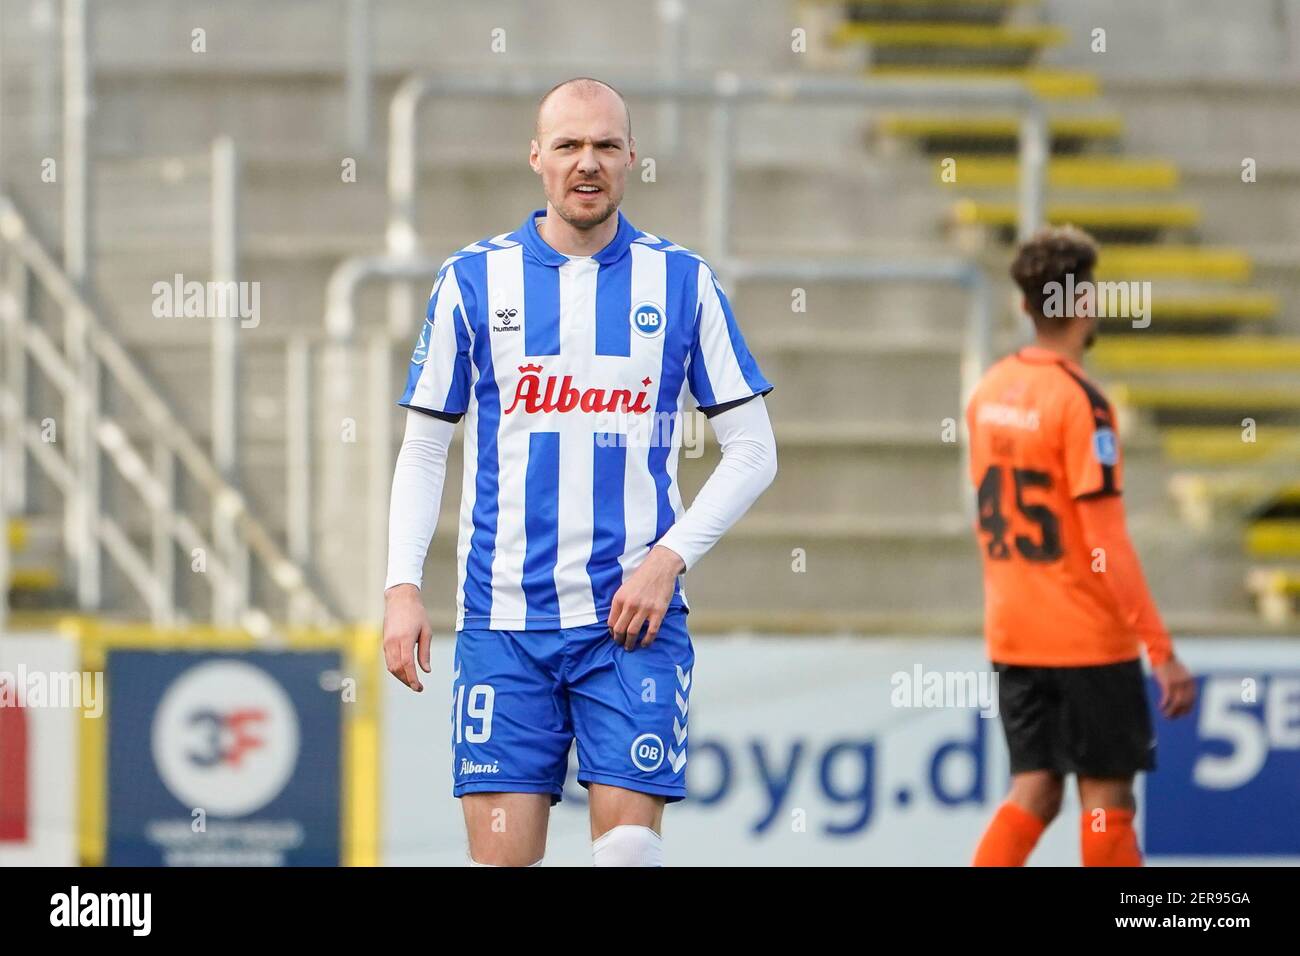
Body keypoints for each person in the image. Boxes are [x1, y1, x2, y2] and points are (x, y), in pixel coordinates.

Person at [382, 77, 777, 866]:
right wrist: (401, 587)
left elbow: (755, 449)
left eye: (604, 145)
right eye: (568, 145)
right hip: (503, 623)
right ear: (537, 158)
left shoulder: (682, 282)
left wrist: (668, 561)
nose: (585, 163)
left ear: (633, 157)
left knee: (629, 852)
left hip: (629, 623)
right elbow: (425, 448)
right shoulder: (471, 282)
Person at [966, 225, 1196, 867]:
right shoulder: (1082, 404)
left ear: (1024, 305)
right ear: (1084, 303)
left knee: (1035, 789)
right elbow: (1106, 541)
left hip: (1014, 632)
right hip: (1086, 634)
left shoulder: (987, 393)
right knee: (1107, 797)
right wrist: (1161, 650)